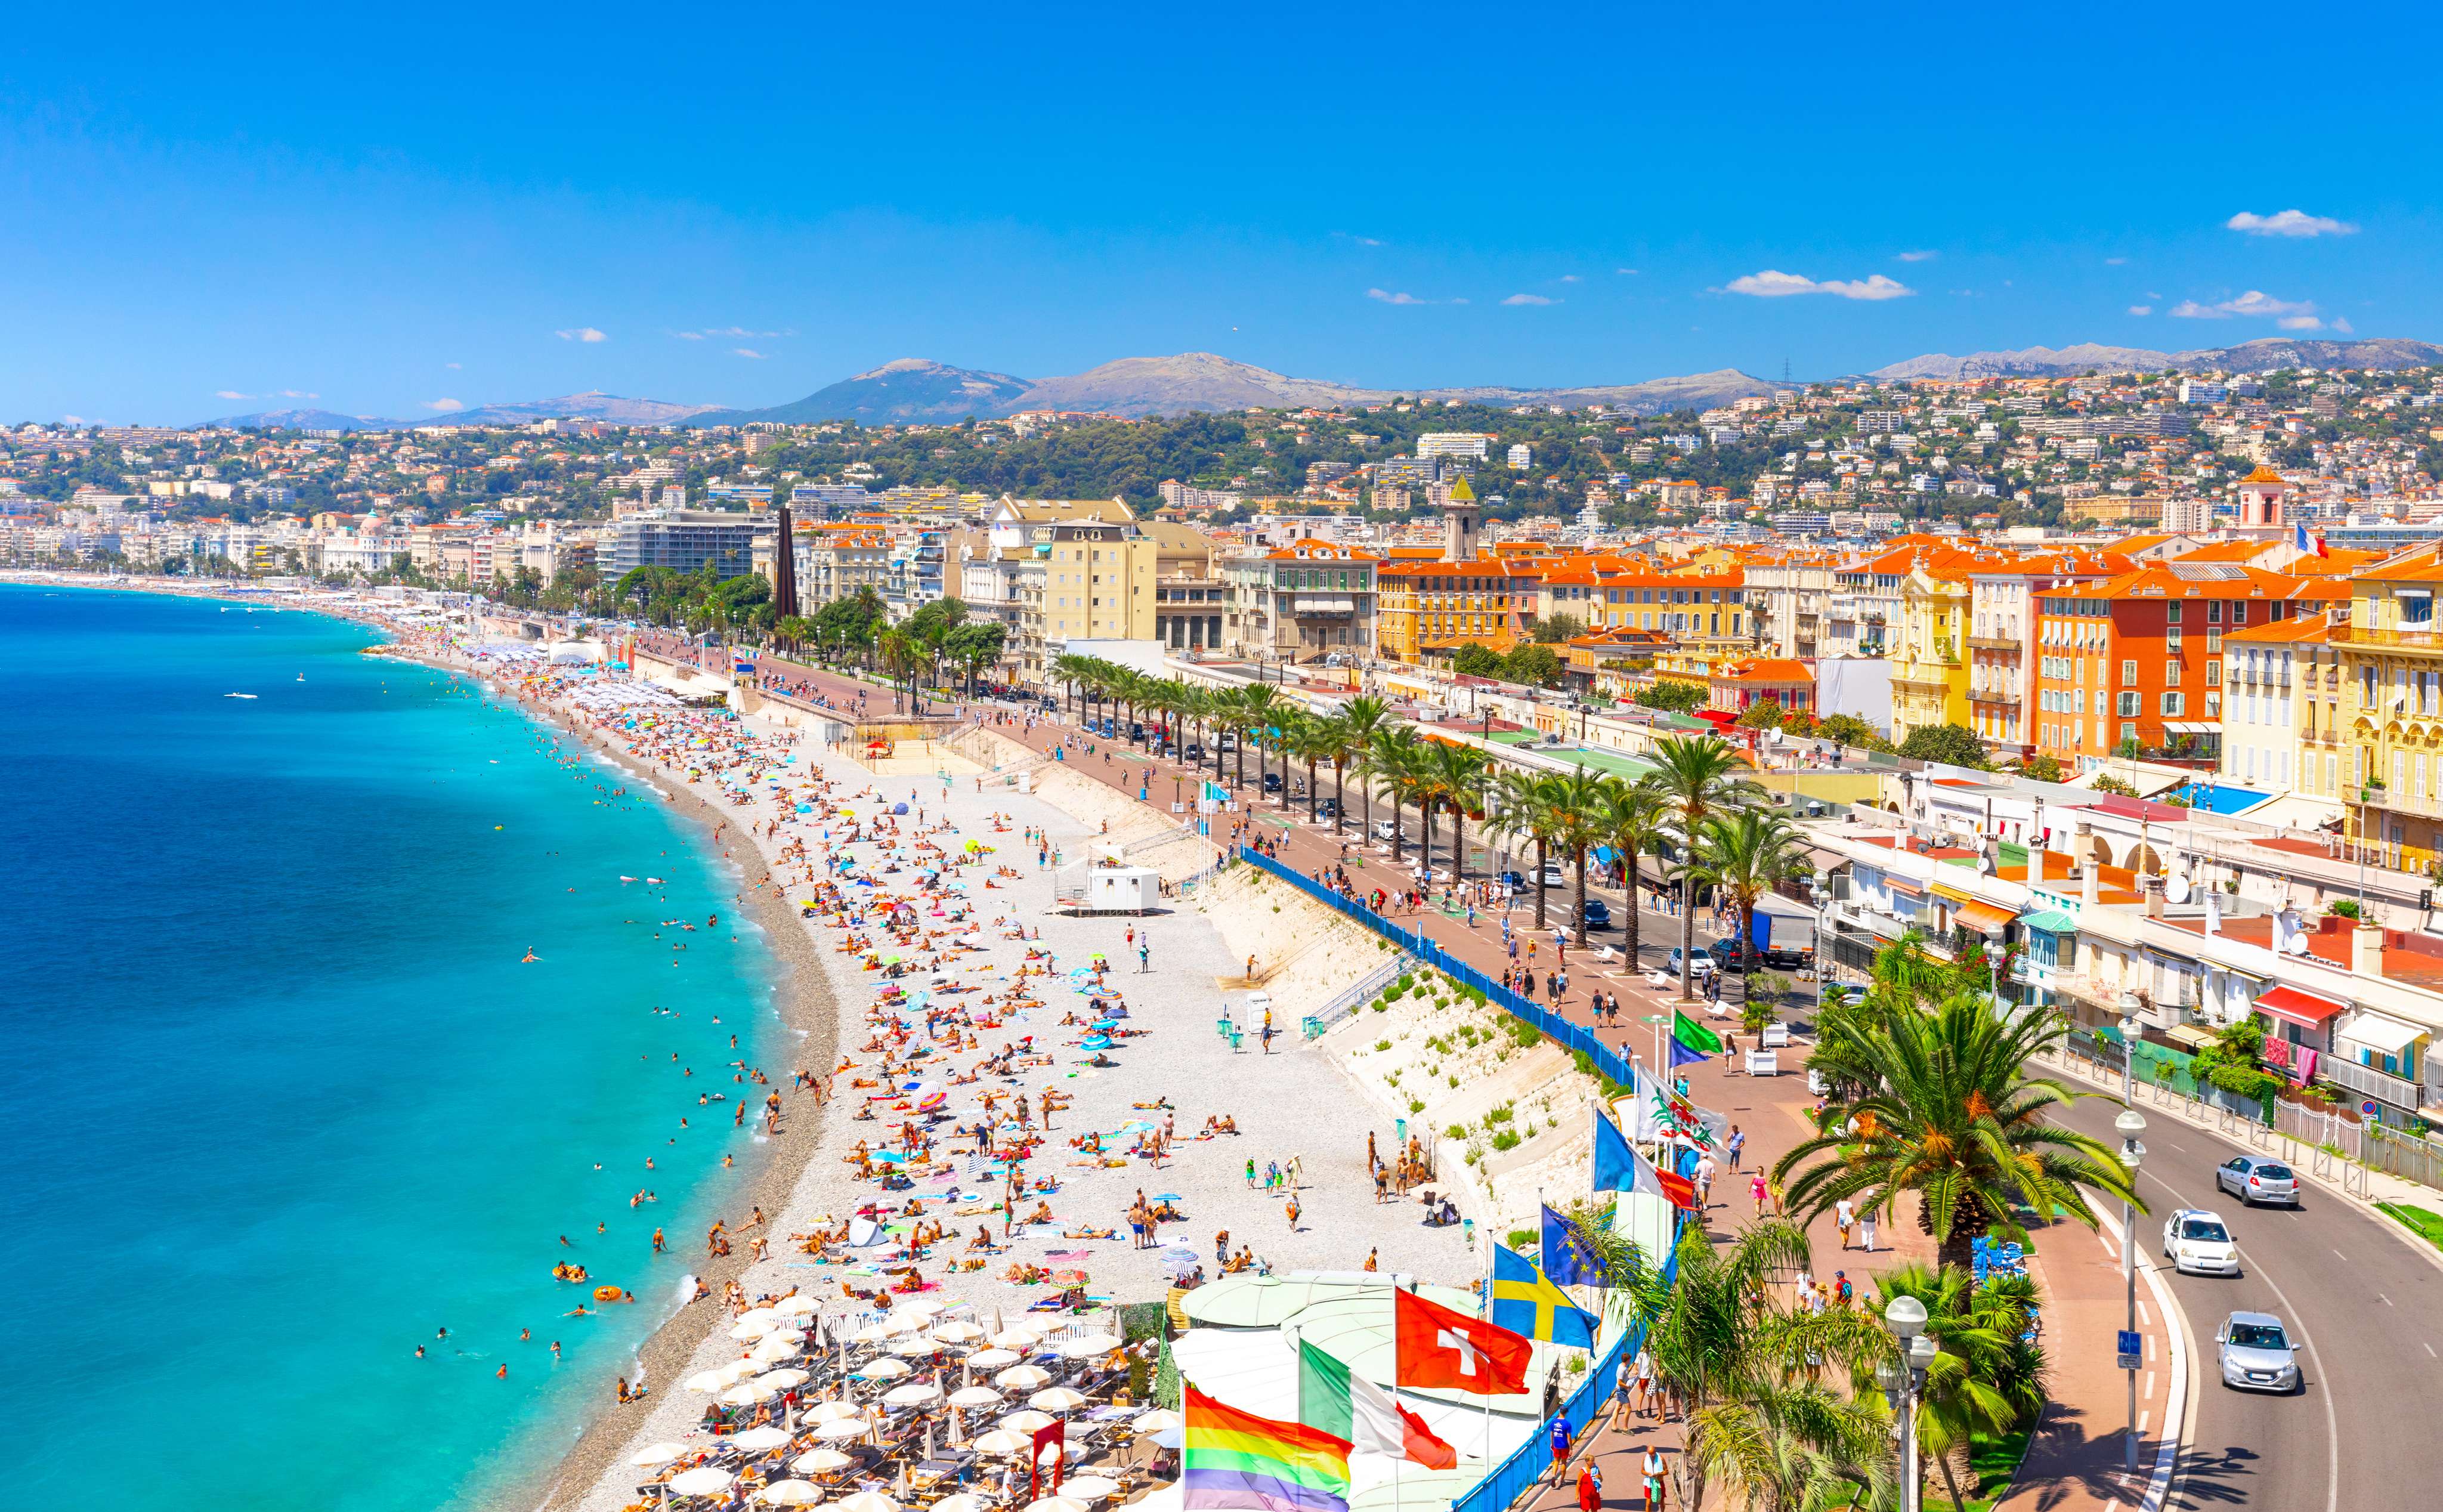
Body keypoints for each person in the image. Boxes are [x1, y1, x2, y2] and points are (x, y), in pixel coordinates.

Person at [1548, 1413, 1573, 1486]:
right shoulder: (1567, 1424)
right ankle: (1562, 1480)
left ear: (1559, 1412)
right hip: (1565, 1446)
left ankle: (1553, 1476)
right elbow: (1569, 1437)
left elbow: (1552, 1434)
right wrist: (1571, 1448)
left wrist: (1552, 1443)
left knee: (1556, 1461)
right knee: (1564, 1463)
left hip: (1556, 1445)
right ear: (1566, 1413)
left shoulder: (1554, 1422)